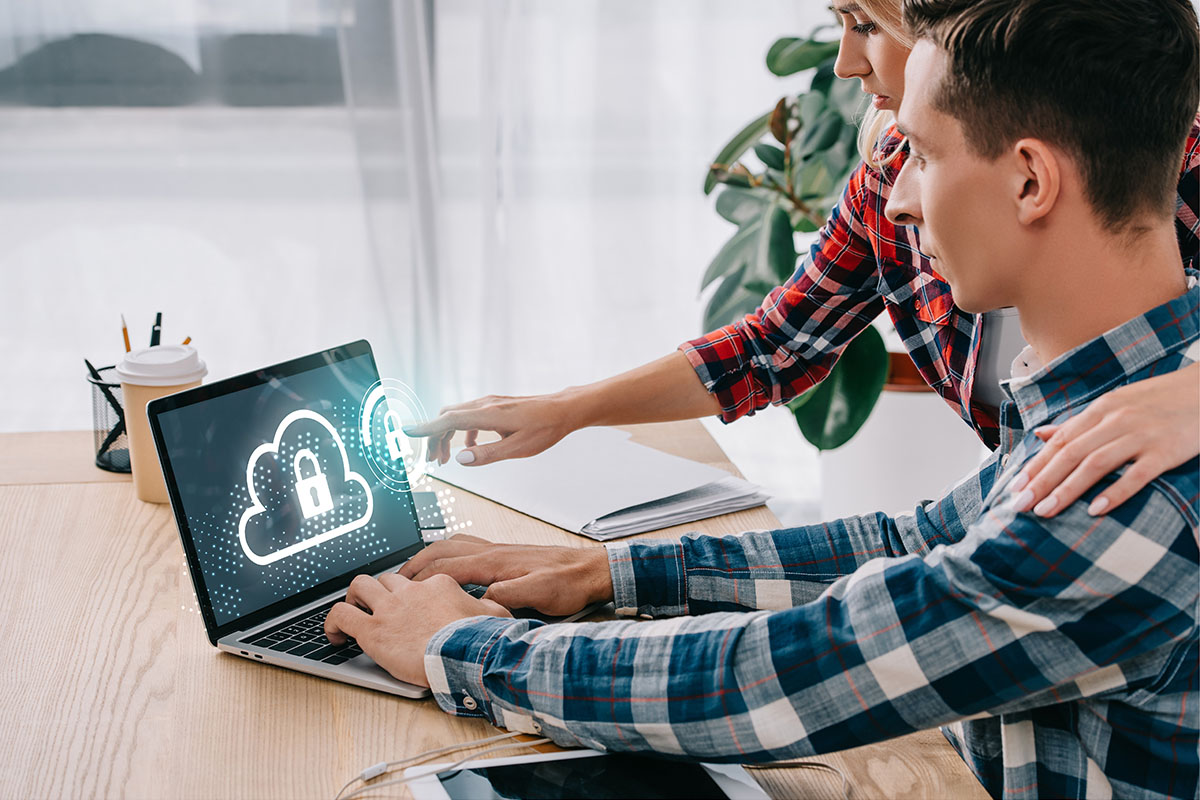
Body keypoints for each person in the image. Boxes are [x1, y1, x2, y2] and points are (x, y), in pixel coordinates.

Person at [326, 1, 1200, 796]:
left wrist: (460, 650)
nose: (892, 197)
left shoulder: (1124, 488)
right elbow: (925, 541)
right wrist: (609, 572)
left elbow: (797, 676)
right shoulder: (1111, 396)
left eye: (924, 155)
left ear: (1030, 181)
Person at [404, 0, 1200, 523]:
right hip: (1050, 512)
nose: (848, 63)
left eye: (866, 23)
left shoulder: (1156, 155)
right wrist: (567, 409)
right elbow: (773, 346)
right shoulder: (893, 176)